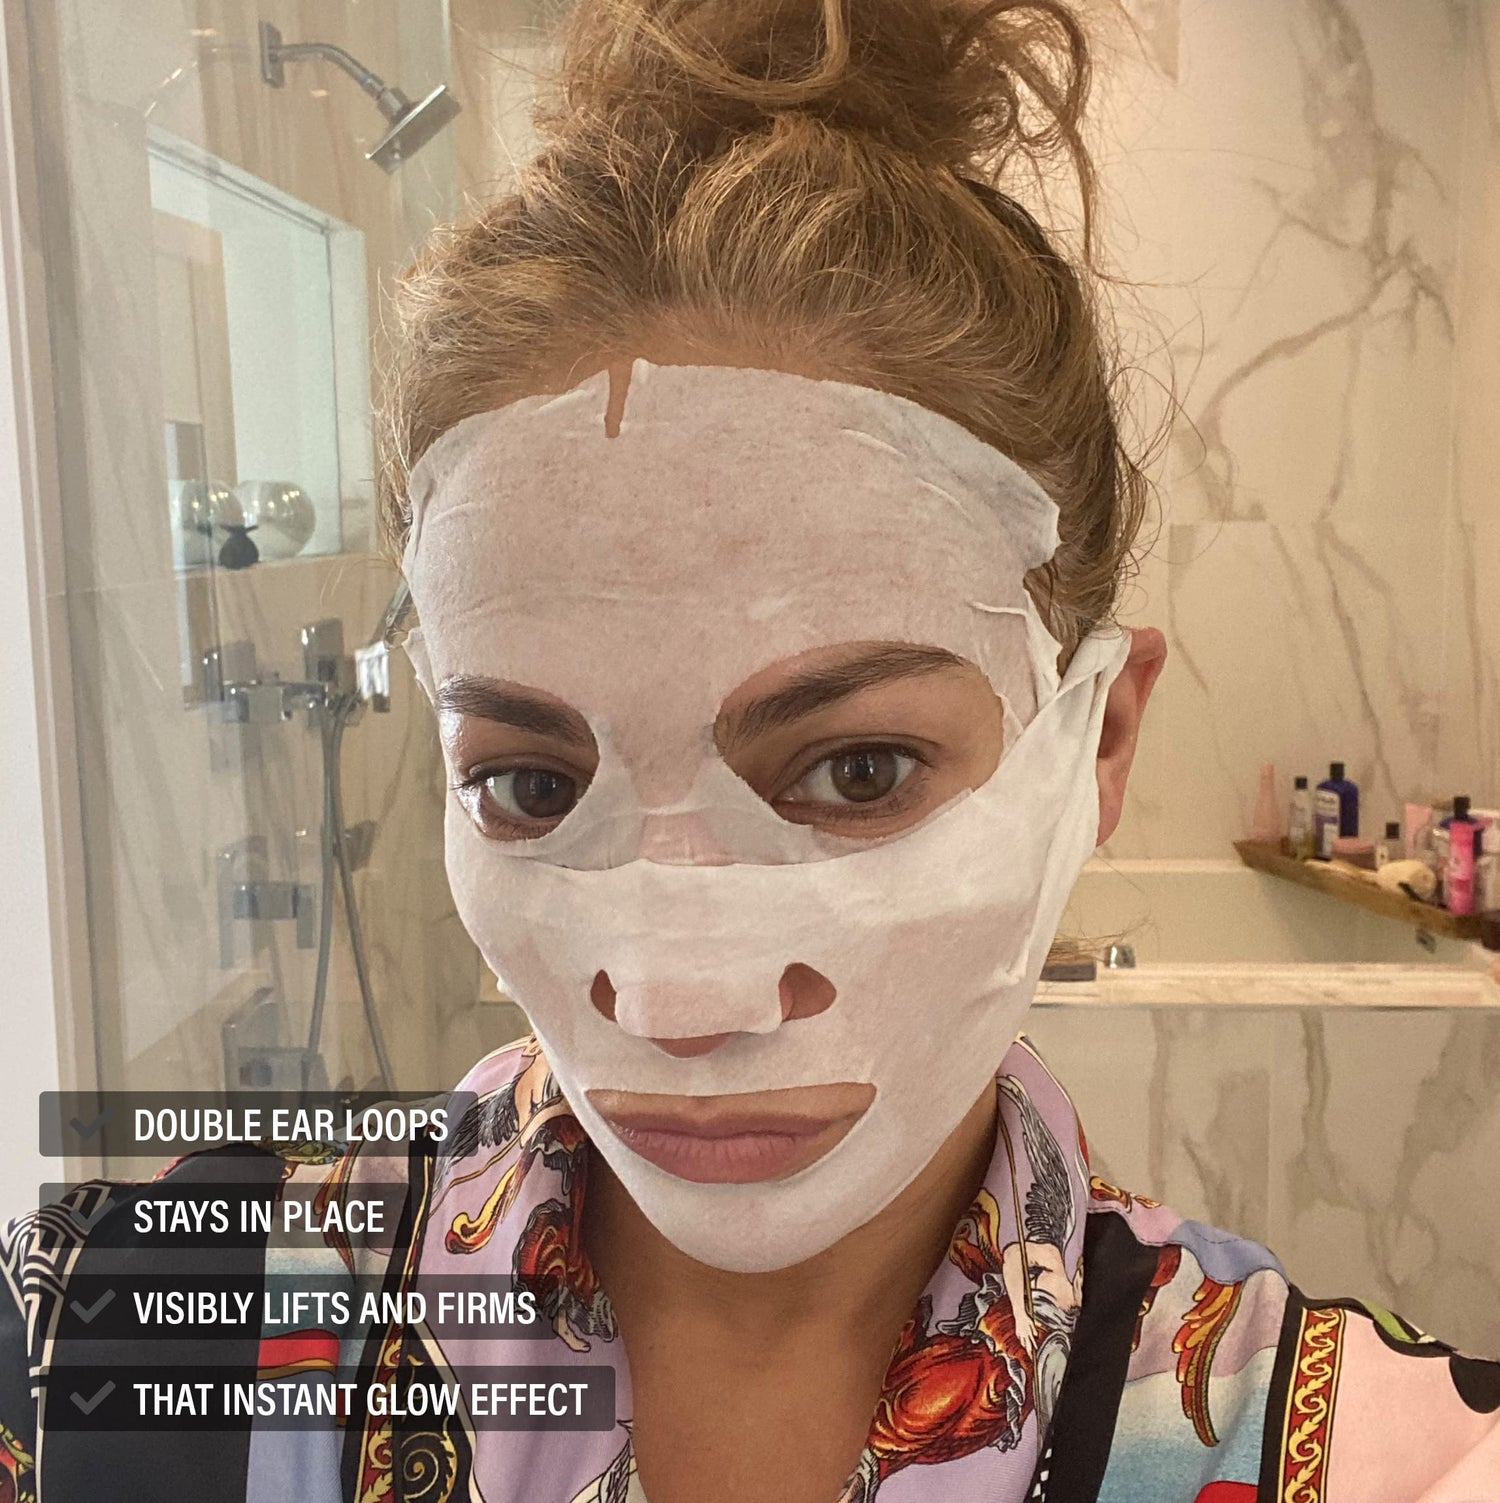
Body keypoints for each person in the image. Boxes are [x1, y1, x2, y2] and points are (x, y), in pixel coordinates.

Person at [3, 2, 1497, 1500]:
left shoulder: (1356, 1456)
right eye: (532, 785)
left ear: (1099, 740)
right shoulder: (137, 1328)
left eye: (857, 773)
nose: (675, 1001)